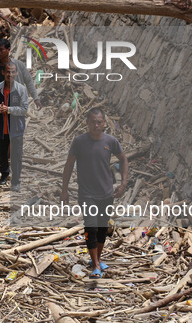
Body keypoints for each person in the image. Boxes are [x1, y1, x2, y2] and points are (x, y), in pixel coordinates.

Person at [60, 107, 129, 279]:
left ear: (104, 123)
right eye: (93, 122)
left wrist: (123, 183)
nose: (96, 125)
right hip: (87, 194)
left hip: (106, 193)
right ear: (87, 123)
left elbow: (123, 159)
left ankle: (96, 259)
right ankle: (96, 265)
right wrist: (64, 189)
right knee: (91, 227)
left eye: (99, 122)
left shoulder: (110, 141)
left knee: (101, 228)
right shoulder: (79, 142)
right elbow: (69, 165)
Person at [0, 62, 28, 189]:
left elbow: (24, 109)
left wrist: (9, 109)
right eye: (8, 72)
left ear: (16, 73)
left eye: (12, 72)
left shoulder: (21, 89)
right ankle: (4, 175)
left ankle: (16, 181)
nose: (10, 74)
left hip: (16, 128)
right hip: (1, 127)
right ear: (3, 73)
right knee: (2, 153)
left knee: (17, 154)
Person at [0, 38, 41, 114]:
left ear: (8, 50)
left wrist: (36, 98)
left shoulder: (19, 65)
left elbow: (29, 82)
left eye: (1, 50)